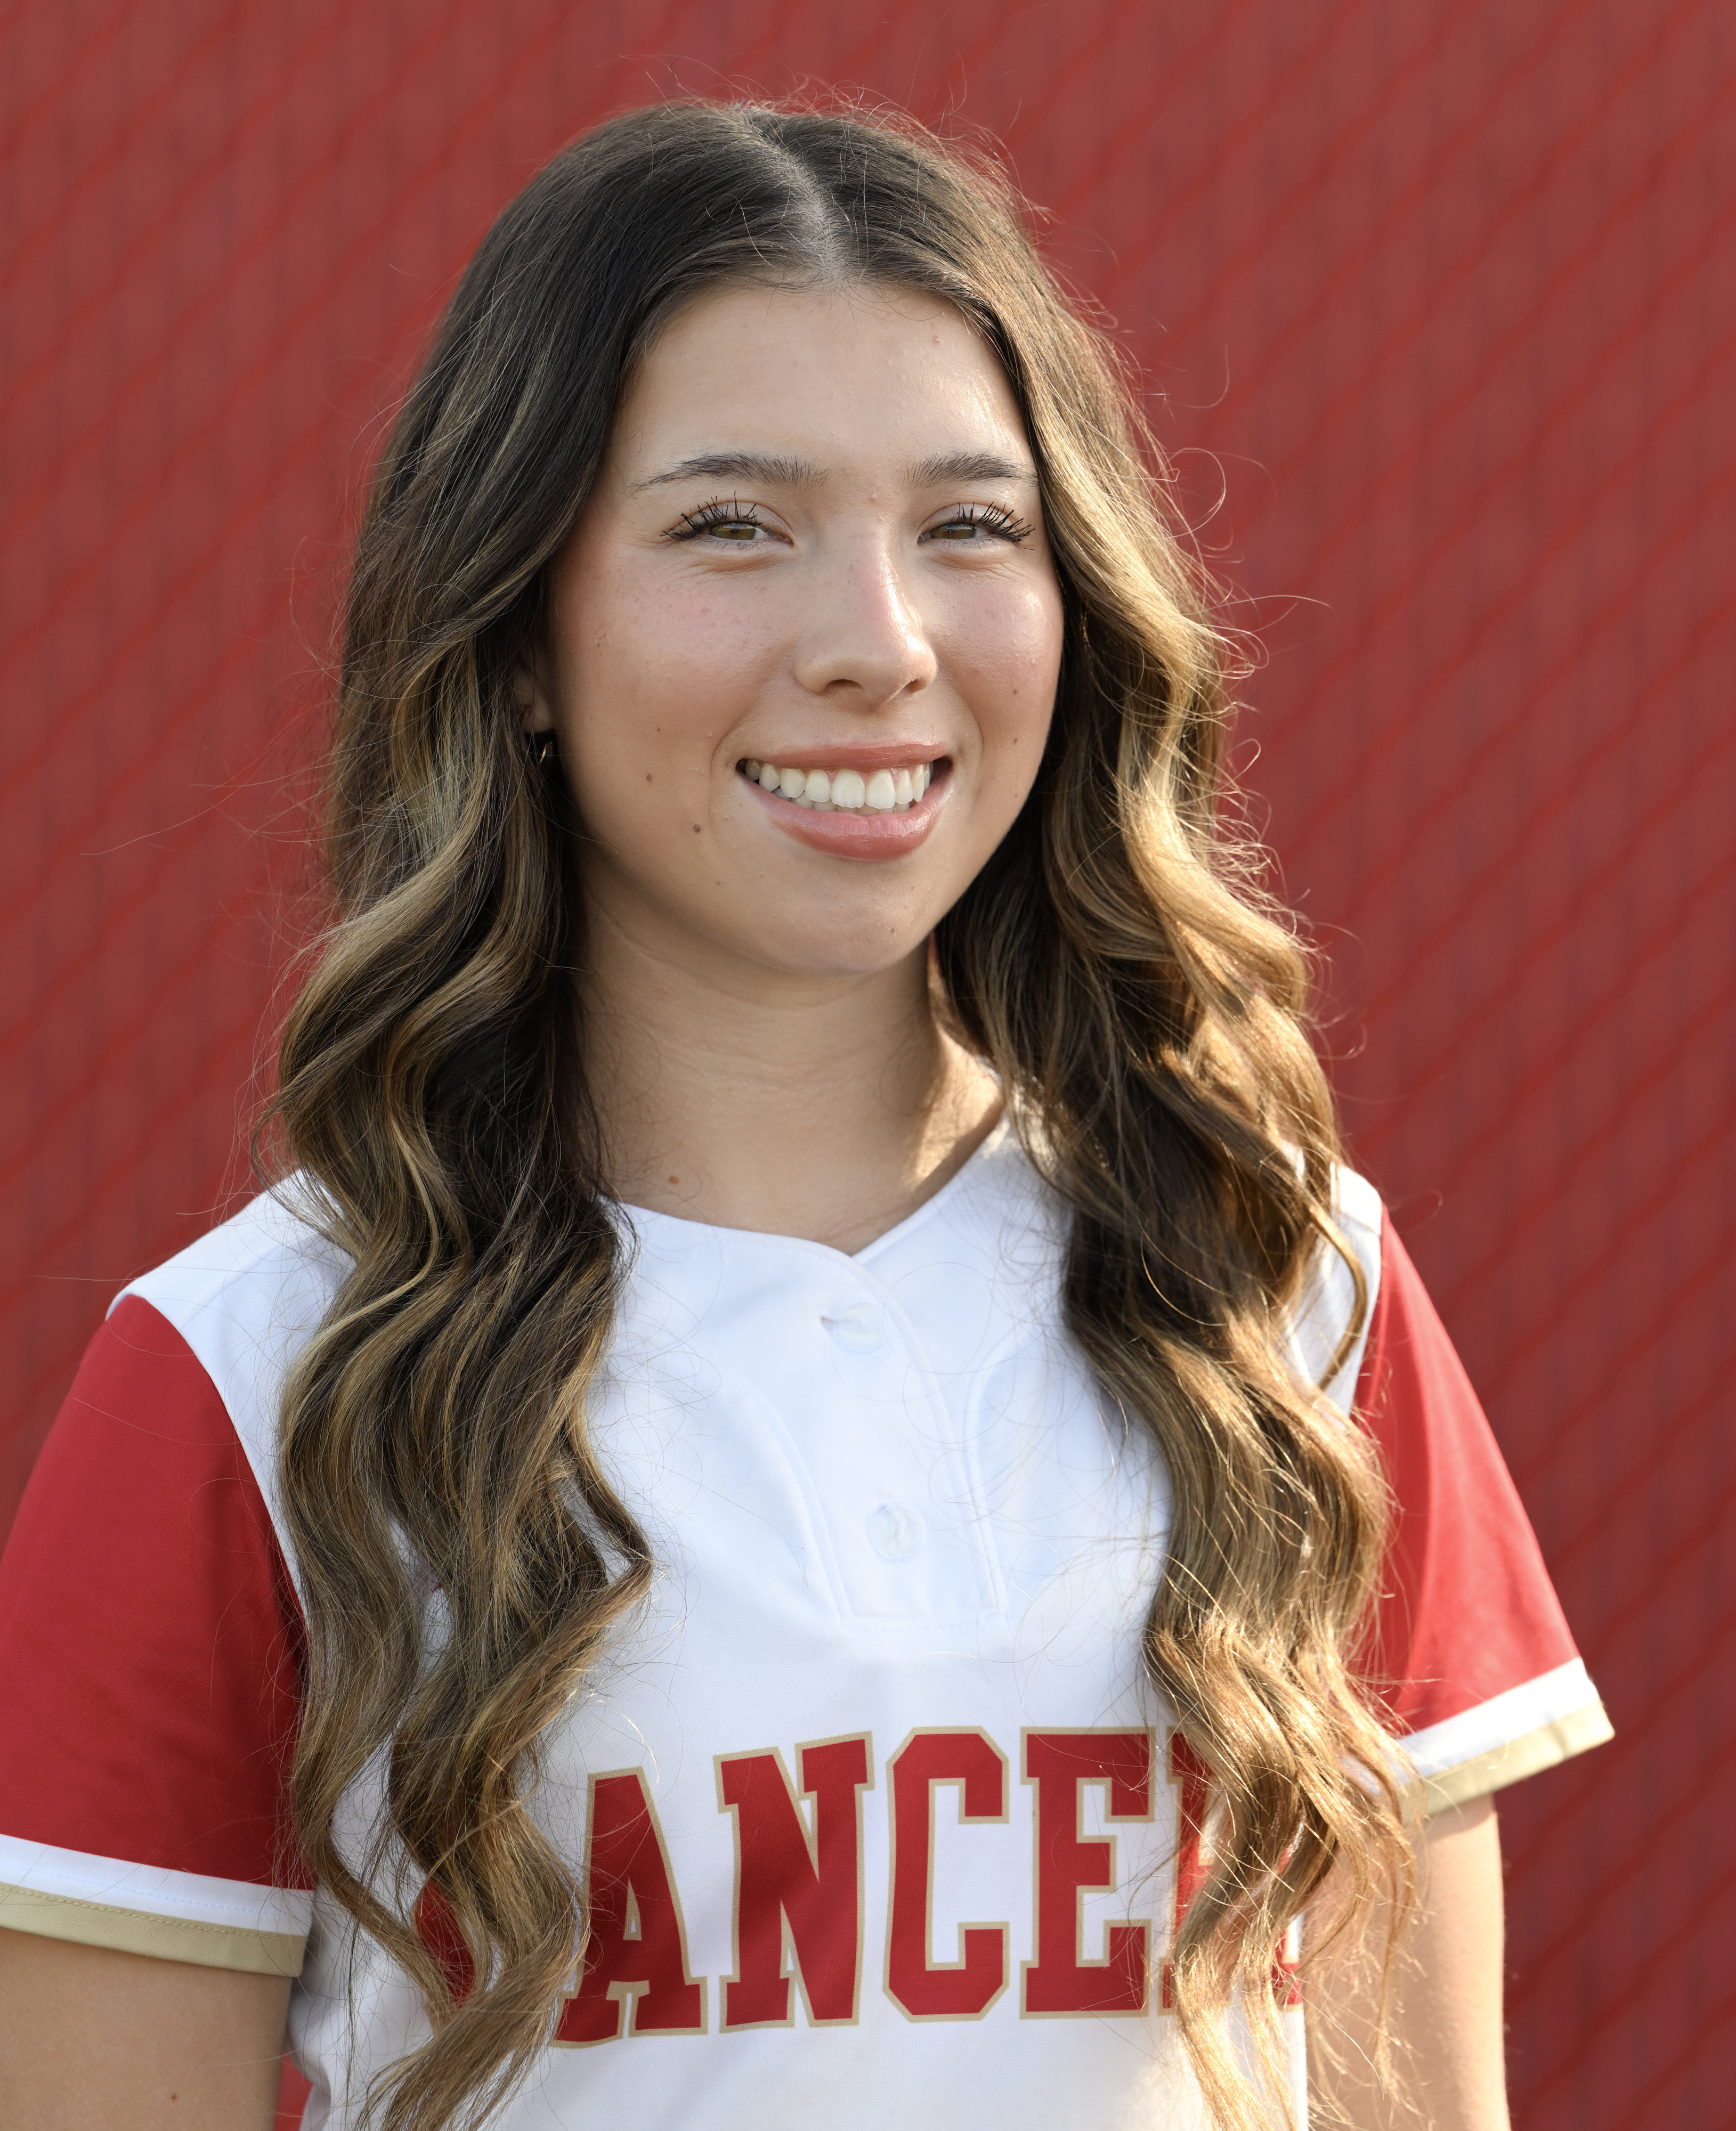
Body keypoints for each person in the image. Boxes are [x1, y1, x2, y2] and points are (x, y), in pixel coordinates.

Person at [0, 102, 1609, 2131]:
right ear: (513, 639)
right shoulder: (250, 1381)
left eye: (969, 525)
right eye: (730, 527)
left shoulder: (1285, 1288)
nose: (877, 643)